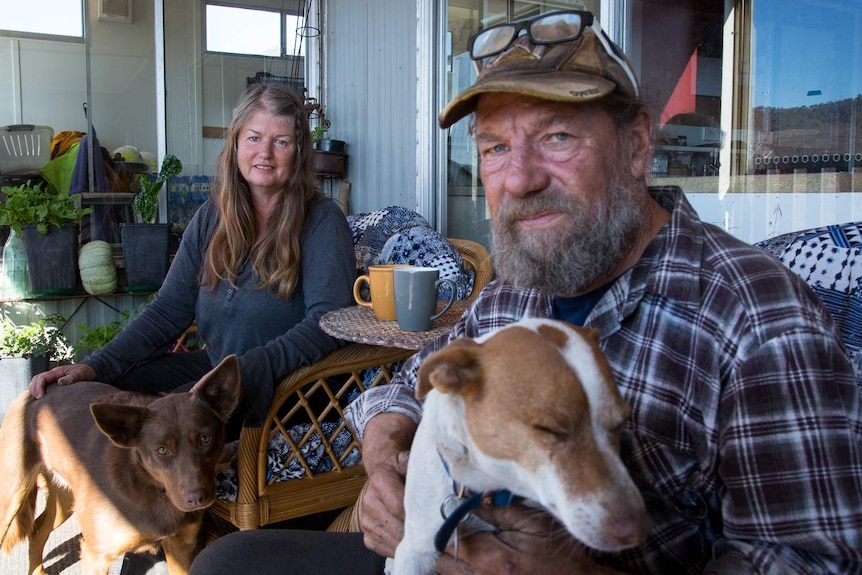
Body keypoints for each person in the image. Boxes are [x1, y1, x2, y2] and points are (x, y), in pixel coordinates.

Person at [190, 10, 862, 575]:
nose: (519, 178)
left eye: (558, 137)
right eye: (493, 148)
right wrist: (385, 438)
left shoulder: (761, 323)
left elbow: (811, 560)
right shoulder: (517, 292)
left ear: (636, 148)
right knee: (230, 563)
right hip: (447, 549)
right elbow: (417, 381)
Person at [30, 81, 356, 428]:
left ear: (299, 151)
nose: (265, 153)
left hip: (291, 385)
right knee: (101, 397)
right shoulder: (213, 215)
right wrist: (96, 365)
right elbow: (168, 310)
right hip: (219, 368)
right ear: (235, 143)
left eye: (281, 142)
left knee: (161, 426)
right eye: (254, 137)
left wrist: (248, 370)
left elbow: (328, 325)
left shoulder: (322, 221)